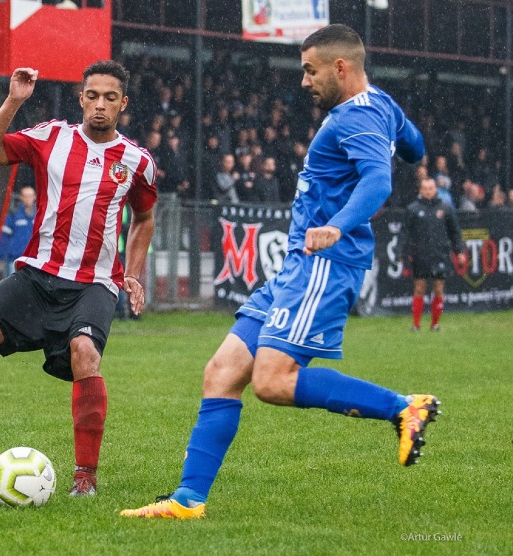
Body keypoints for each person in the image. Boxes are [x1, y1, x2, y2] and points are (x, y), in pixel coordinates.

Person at [121, 24, 440, 520]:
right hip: (298, 268)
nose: (304, 81)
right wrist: (407, 145)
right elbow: (415, 146)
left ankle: (403, 406)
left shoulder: (353, 119)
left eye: (311, 71)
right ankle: (187, 501)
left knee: (272, 381)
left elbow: (378, 180)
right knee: (222, 372)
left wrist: (335, 225)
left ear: (341, 68)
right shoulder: (381, 105)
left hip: (324, 265)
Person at [0, 60, 157, 497]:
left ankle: (85, 477)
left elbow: (145, 217)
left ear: (123, 104)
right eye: (92, 96)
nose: (100, 105)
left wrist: (132, 273)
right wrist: (13, 101)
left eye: (110, 98)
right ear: (81, 98)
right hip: (38, 274)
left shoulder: (137, 161)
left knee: (85, 354)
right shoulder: (51, 136)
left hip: (94, 282)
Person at [398, 177, 466, 332]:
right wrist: (399, 252)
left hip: (440, 253)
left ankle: (435, 324)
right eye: (425, 188)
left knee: (439, 288)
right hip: (420, 254)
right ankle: (416, 325)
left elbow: (454, 232)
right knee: (420, 288)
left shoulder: (445, 207)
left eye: (431, 188)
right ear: (420, 190)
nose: (428, 191)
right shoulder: (413, 209)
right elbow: (404, 233)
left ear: (436, 189)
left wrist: (459, 251)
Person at [0, 185, 37, 278]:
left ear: (34, 197)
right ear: (21, 197)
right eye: (25, 196)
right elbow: (4, 236)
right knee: (13, 287)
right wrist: (1, 256)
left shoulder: (40, 214)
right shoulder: (13, 213)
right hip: (15, 260)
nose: (28, 199)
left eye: (30, 196)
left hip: (34, 261)